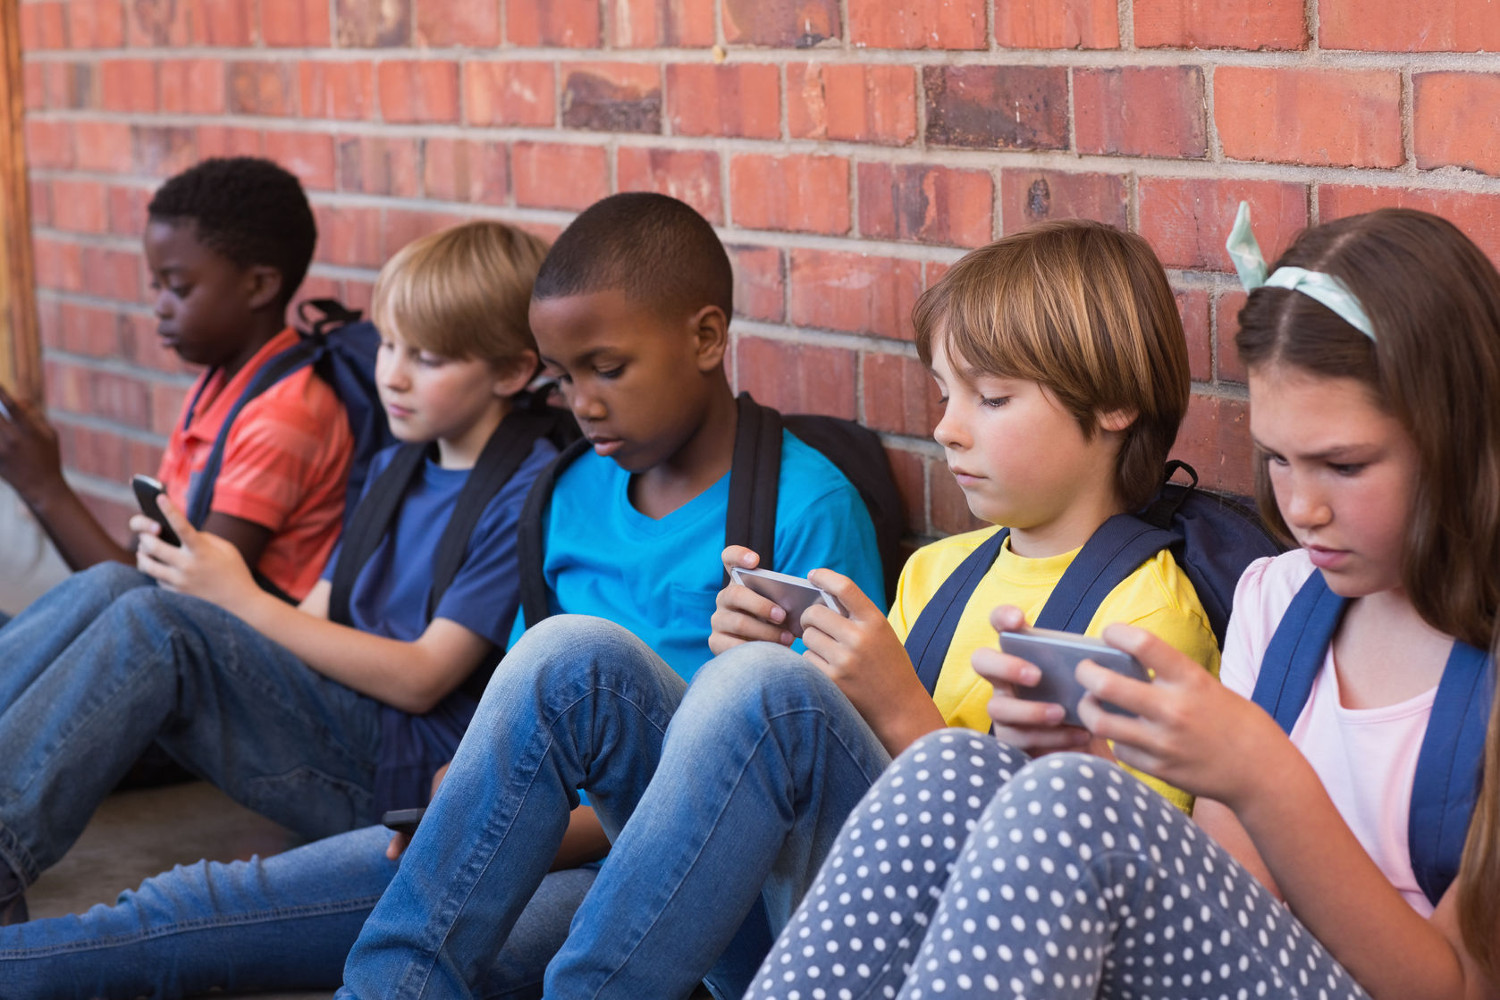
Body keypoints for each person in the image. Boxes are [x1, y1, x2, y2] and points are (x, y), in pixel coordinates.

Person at [0, 193, 885, 999]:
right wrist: (469, 796)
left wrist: (491, 821)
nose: (580, 403)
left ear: (704, 337)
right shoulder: (566, 491)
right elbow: (525, 705)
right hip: (519, 825)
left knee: (474, 952)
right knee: (207, 909)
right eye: (564, 376)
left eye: (608, 369)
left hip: (674, 866)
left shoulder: (803, 504)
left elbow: (802, 779)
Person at [336, 220, 1221, 1000]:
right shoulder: (943, 569)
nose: (949, 428)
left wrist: (883, 705)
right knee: (574, 656)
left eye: (989, 399)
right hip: (806, 920)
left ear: (1114, 405)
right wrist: (751, 674)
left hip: (944, 959)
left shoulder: (1145, 617)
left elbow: (1089, 900)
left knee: (765, 690)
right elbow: (841, 786)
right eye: (945, 395)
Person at [744, 206, 1500, 1000]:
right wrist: (1074, 770)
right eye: (1277, 459)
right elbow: (1224, 910)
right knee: (955, 764)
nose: (1301, 509)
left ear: (1459, 431)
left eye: (1343, 465)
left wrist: (1264, 777)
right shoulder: (1278, 599)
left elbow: (1459, 987)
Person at [0, 220, 557, 933]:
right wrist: (210, 585)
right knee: (124, 589)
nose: (392, 374)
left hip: (401, 773)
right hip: (338, 718)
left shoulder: (527, 490)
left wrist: (236, 599)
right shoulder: (397, 463)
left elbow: (424, 677)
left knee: (157, 623)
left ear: (511, 372)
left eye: (430, 358)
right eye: (388, 344)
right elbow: (319, 612)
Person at [0, 156, 349, 602]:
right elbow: (143, 569)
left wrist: (43, 486)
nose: (161, 306)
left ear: (260, 286)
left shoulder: (285, 416)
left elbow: (182, 607)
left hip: (242, 654)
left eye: (179, 289)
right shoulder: (220, 387)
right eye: (156, 286)